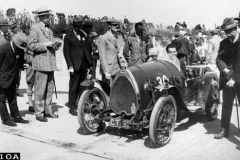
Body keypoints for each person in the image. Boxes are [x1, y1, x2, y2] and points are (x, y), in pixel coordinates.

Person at [27, 6, 60, 122]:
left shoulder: (49, 29)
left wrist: (55, 45)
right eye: (46, 16)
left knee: (49, 89)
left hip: (50, 64)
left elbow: (50, 44)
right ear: (40, 17)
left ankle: (48, 110)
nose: (48, 18)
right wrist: (46, 45)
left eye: (48, 16)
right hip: (41, 64)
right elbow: (31, 46)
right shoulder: (35, 28)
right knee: (40, 89)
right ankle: (39, 113)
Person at [215, 18, 240, 140]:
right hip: (227, 77)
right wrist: (225, 70)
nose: (228, 34)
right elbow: (219, 59)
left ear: (236, 29)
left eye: (230, 31)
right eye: (226, 31)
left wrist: (234, 78)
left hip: (238, 77)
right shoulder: (223, 43)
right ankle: (224, 129)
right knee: (226, 105)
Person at [63, 19, 93, 116]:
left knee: (83, 86)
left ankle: (81, 105)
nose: (79, 28)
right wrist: (70, 66)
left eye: (80, 26)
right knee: (73, 86)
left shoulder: (84, 35)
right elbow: (66, 52)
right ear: (73, 26)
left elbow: (87, 48)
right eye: (77, 27)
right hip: (75, 65)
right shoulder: (68, 37)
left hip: (84, 65)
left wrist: (89, 64)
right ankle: (72, 106)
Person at [0, 32, 29, 127]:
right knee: (1, 99)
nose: (20, 49)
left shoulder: (19, 49)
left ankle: (16, 116)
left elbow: (20, 61)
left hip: (13, 78)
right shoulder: (3, 49)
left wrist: (22, 65)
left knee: (12, 98)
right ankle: (5, 119)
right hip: (3, 79)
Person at [98, 18, 121, 86]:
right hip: (108, 70)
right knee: (108, 92)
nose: (117, 26)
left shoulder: (115, 37)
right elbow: (102, 56)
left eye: (117, 25)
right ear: (109, 25)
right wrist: (106, 71)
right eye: (114, 25)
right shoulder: (103, 38)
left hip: (116, 69)